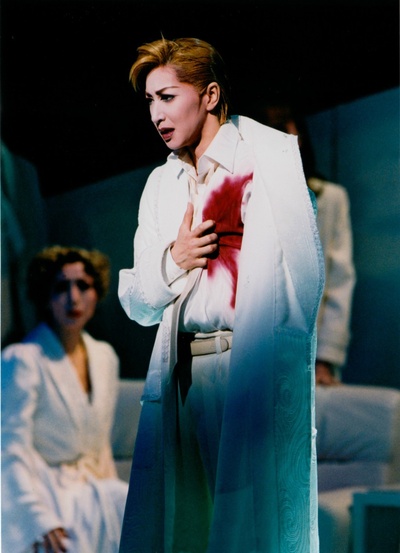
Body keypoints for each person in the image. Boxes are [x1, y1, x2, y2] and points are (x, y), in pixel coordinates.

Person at [118, 37, 324, 552]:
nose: (157, 114)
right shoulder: (162, 183)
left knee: (249, 532)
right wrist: (175, 259)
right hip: (180, 374)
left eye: (168, 97)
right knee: (185, 531)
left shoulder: (266, 164)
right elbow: (138, 303)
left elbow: (298, 286)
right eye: (150, 101)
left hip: (246, 367)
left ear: (209, 95)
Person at [1, 245, 128, 553]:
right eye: (61, 287)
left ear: (96, 293)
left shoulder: (105, 357)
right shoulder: (24, 359)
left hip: (96, 493)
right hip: (45, 494)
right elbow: (8, 448)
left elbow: (101, 451)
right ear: (46, 296)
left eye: (83, 285)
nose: (73, 298)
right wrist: (36, 517)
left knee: (135, 508)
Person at [259, 103, 356, 385]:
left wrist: (325, 358)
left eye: (287, 130)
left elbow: (339, 282)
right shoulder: (249, 198)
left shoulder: (330, 199)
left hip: (307, 355)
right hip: (255, 352)